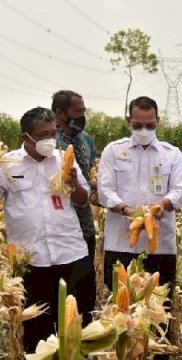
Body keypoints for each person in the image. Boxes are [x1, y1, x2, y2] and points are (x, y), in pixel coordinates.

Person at [0, 107, 93, 352]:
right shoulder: (8, 164)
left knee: (79, 330)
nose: (49, 140)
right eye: (42, 135)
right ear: (26, 137)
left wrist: (74, 184)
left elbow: (83, 200)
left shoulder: (64, 159)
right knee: (38, 337)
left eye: (53, 133)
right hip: (31, 262)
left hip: (71, 254)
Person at [98, 96, 182, 292]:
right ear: (128, 121)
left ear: (158, 122)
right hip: (121, 243)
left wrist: (163, 205)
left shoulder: (172, 154)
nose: (144, 131)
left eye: (150, 125)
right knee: (120, 310)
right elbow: (105, 189)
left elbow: (180, 189)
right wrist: (126, 210)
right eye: (138, 126)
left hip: (160, 245)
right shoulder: (113, 151)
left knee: (159, 305)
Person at [51, 90, 97, 324]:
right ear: (59, 113)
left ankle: (84, 338)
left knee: (85, 291)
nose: (82, 116)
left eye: (83, 111)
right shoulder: (49, 144)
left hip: (85, 224)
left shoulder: (86, 139)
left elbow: (89, 175)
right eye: (78, 111)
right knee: (61, 295)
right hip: (59, 228)